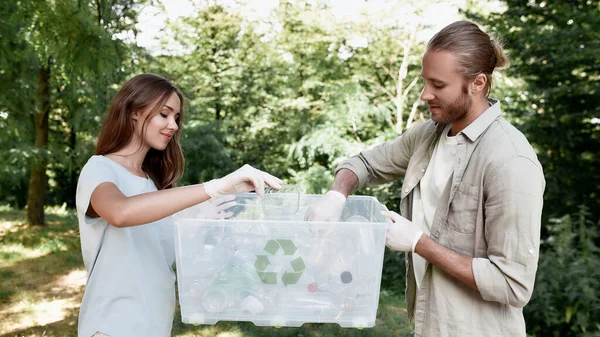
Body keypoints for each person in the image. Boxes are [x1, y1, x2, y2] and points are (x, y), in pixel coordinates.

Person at [305, 20, 545, 337]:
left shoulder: (510, 160)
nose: (424, 94)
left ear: (478, 83)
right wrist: (336, 196)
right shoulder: (428, 136)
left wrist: (419, 244)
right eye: (424, 81)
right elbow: (364, 164)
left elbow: (512, 284)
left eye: (438, 85)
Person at [75, 73, 282, 337]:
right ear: (135, 112)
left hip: (155, 326)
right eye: (164, 114)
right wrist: (215, 186)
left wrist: (201, 222)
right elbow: (120, 212)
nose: (173, 125)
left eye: (176, 118)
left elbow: (163, 259)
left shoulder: (154, 186)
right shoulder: (99, 168)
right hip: (111, 325)